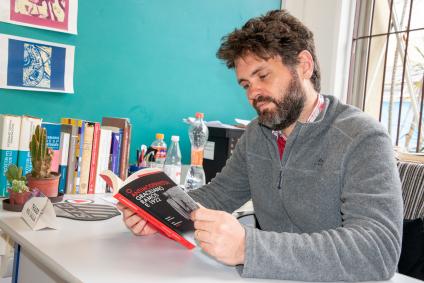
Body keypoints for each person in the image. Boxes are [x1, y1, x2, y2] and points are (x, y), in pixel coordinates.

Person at [117, 9, 403, 281]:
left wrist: (249, 247)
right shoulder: (258, 133)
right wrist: (159, 215)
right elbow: (219, 195)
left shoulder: (362, 137)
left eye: (263, 76)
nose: (253, 92)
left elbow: (378, 249)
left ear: (303, 65)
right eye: (245, 84)